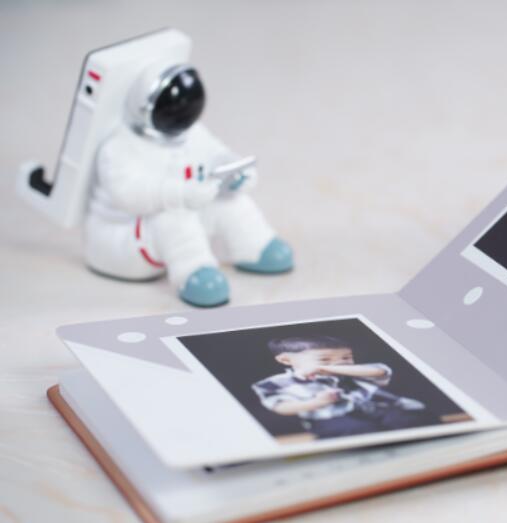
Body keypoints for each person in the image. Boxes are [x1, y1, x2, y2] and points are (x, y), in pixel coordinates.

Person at [85, 61, 293, 307]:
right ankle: (192, 271)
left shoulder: (191, 133)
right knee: (174, 216)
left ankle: (254, 245)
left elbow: (217, 154)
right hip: (121, 241)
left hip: (173, 223)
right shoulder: (119, 147)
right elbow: (129, 194)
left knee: (229, 201)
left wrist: (235, 172)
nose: (181, 111)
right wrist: (182, 193)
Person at [252, 335, 437, 439]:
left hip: (379, 409)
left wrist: (326, 367)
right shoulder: (276, 383)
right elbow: (280, 406)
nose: (341, 363)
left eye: (346, 357)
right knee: (355, 431)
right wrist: (316, 403)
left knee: (411, 418)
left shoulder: (354, 371)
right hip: (332, 417)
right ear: (286, 360)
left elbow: (380, 371)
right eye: (324, 359)